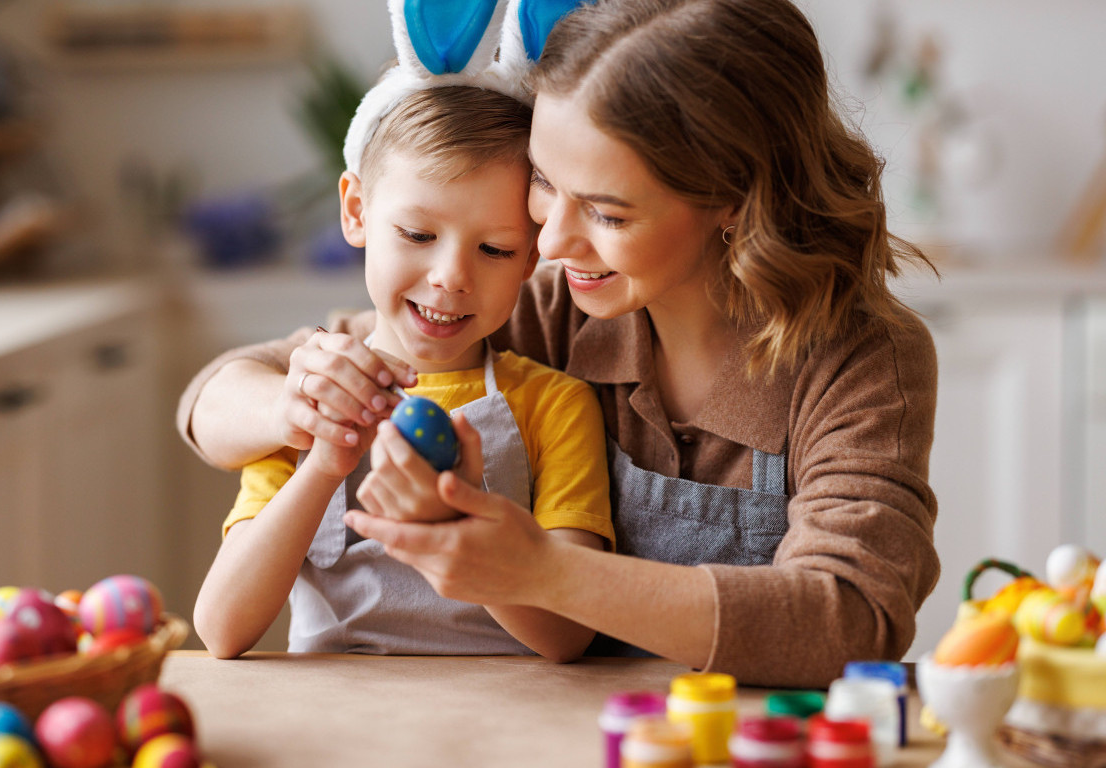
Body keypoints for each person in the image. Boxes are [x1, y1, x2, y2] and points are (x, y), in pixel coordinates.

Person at [180, 0, 939, 688]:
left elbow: (847, 618)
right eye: (545, 181)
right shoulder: (551, 306)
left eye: (607, 212)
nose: (550, 237)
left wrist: (547, 574)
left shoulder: (861, 359)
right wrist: (299, 399)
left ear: (733, 201)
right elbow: (217, 390)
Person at [191, 1, 614, 662]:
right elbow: (222, 629)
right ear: (356, 211)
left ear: (534, 259)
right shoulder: (311, 393)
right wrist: (327, 458)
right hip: (342, 726)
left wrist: (458, 518)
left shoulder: (555, 407)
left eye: (496, 250)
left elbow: (567, 637)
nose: (450, 277)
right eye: (418, 234)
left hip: (508, 725)